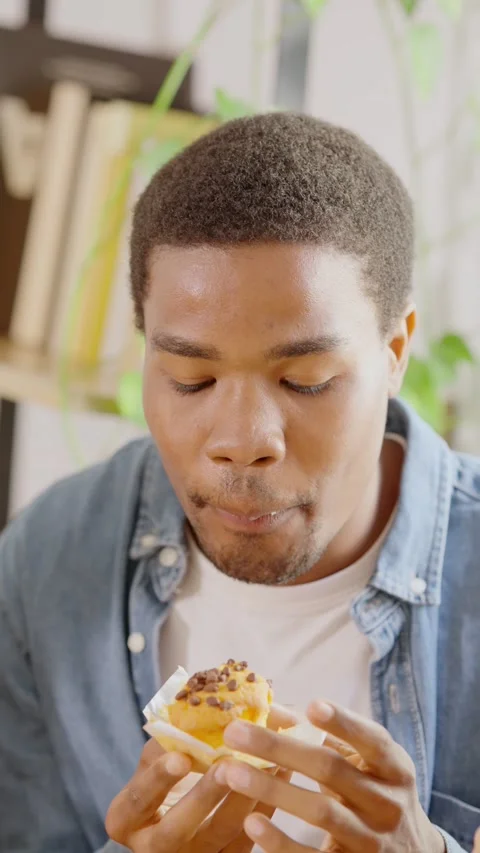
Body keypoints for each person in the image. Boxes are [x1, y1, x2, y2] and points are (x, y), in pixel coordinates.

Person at [0, 112, 479, 853]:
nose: (242, 441)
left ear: (395, 350)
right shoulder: (44, 566)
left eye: (305, 380)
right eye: (192, 379)